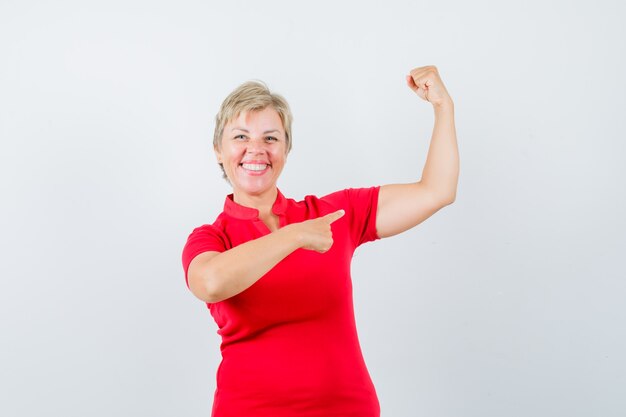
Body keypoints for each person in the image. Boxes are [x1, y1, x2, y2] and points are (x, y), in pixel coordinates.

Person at [181, 66, 459, 417]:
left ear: (285, 150)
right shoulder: (211, 238)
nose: (256, 150)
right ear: (218, 151)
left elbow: (437, 191)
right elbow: (210, 283)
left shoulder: (333, 214)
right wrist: (294, 235)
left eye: (271, 138)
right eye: (240, 137)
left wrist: (443, 108)